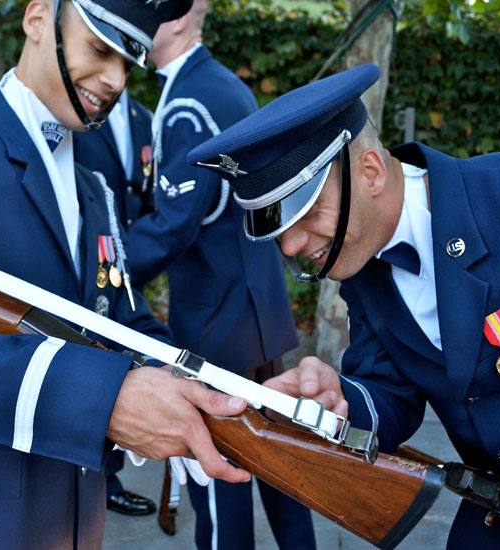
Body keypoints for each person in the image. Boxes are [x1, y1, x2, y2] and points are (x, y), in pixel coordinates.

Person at [189, 64, 500, 549]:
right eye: (277, 228)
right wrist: (339, 398)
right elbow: (393, 393)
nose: (291, 245)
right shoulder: (360, 265)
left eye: (308, 211)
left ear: (372, 173)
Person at [0, 1, 252, 548]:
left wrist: (228, 398)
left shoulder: (96, 188)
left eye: (127, 63)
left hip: (80, 521)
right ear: (38, 18)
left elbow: (124, 322)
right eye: (99, 49)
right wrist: (97, 399)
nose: (114, 80)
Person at [122, 1, 315, 548]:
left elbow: (174, 224)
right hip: (256, 313)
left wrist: (101, 267)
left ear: (180, 18)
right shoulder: (227, 86)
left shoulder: (184, 103)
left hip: (212, 322)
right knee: (282, 472)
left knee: (218, 484)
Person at [74, 89, 159, 517]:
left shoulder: (144, 117)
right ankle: (98, 477)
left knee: (122, 363)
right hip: (88, 263)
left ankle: (110, 475)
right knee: (91, 369)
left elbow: (146, 195)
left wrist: (130, 262)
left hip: (123, 263)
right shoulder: (77, 106)